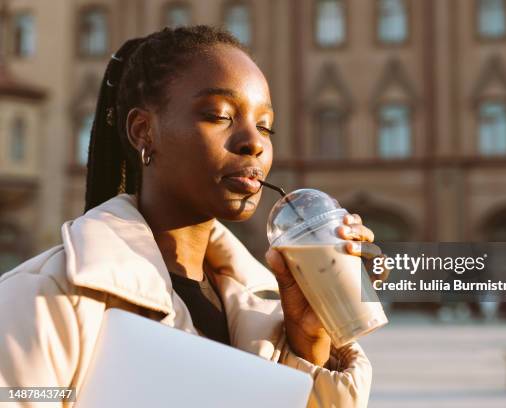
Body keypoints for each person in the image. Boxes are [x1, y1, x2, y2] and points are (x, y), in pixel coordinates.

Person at [0, 26, 375, 407]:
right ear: (143, 131)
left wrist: (309, 339)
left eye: (265, 126)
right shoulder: (43, 298)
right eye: (219, 115)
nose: (254, 143)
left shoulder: (265, 311)